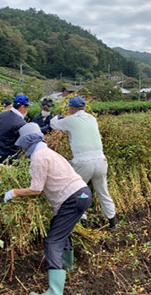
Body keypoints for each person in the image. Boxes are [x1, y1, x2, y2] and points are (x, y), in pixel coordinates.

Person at [3, 123, 92, 295]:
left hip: (73, 198)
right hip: (83, 194)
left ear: (26, 143)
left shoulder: (38, 158)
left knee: (52, 241)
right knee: (59, 228)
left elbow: (36, 189)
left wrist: (14, 192)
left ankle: (54, 291)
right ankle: (66, 265)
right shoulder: (50, 153)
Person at [50, 96, 117, 230]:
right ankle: (112, 221)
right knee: (103, 190)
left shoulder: (71, 119)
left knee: (77, 191)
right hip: (101, 160)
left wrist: (55, 117)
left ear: (72, 109)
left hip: (83, 162)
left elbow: (54, 124)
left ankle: (82, 220)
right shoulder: (92, 119)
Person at [0, 94, 30, 164]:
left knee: (0, 171)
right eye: (26, 107)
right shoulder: (20, 122)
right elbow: (24, 141)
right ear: (22, 107)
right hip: (10, 154)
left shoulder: (3, 115)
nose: (27, 110)